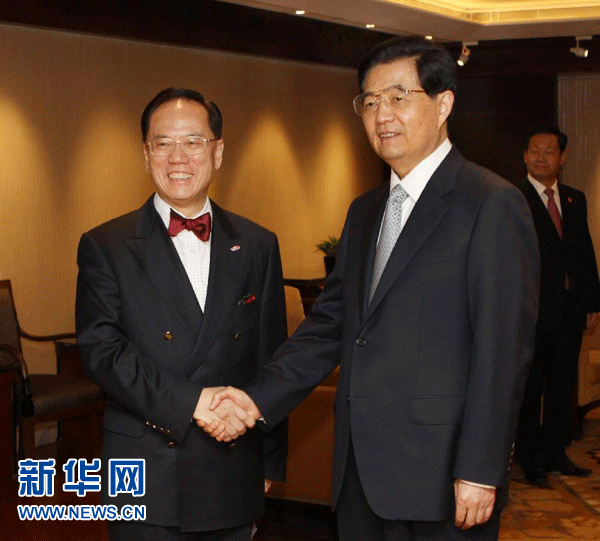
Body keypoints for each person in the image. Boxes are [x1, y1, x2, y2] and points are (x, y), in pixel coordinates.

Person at [205, 36, 539, 541]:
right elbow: (330, 326)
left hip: (443, 476)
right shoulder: (365, 212)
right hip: (359, 473)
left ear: (444, 103)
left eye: (399, 97)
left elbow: (503, 350)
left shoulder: (490, 203)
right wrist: (254, 399)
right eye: (370, 101)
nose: (383, 115)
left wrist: (480, 468)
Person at [75, 87, 287, 540]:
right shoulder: (105, 246)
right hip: (147, 469)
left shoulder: (257, 244)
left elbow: (271, 357)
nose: (178, 157)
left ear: (218, 152)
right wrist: (192, 402)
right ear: (145, 154)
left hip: (232, 466)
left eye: (193, 141)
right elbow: (103, 352)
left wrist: (269, 461)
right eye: (163, 143)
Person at [515, 125, 600, 486]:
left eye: (549, 151)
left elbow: (585, 252)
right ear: (525, 156)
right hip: (530, 313)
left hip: (569, 310)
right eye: (534, 150)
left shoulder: (574, 199)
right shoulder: (512, 198)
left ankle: (555, 453)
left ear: (562, 158)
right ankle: (529, 459)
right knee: (531, 388)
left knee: (562, 386)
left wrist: (592, 302)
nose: (541, 157)